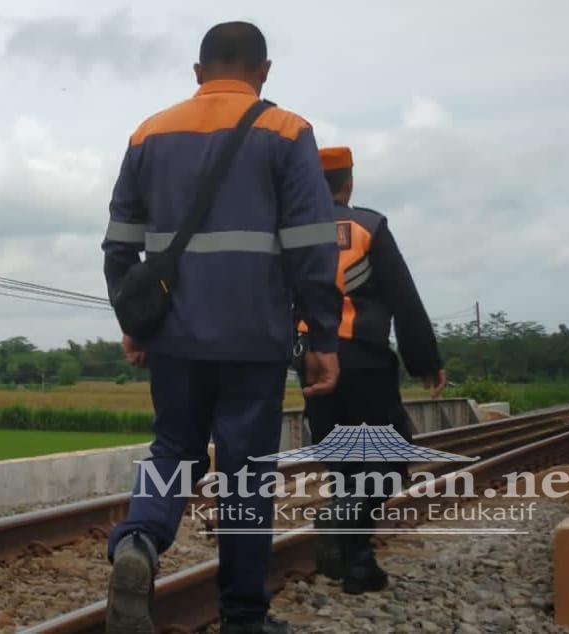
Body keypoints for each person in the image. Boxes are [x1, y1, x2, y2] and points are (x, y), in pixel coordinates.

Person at [101, 22, 342, 634]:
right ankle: (243, 616)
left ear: (197, 72)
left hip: (174, 338)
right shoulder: (287, 132)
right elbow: (312, 245)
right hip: (254, 338)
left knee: (173, 450)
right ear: (264, 71)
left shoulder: (149, 134)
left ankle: (140, 541)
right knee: (246, 472)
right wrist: (321, 338)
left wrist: (134, 321)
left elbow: (120, 244)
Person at [299, 146, 446, 594]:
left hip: (310, 361)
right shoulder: (369, 227)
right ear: (348, 184)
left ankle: (358, 563)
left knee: (344, 464)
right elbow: (404, 297)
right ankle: (347, 533)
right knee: (391, 458)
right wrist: (425, 361)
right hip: (363, 358)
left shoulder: (290, 230)